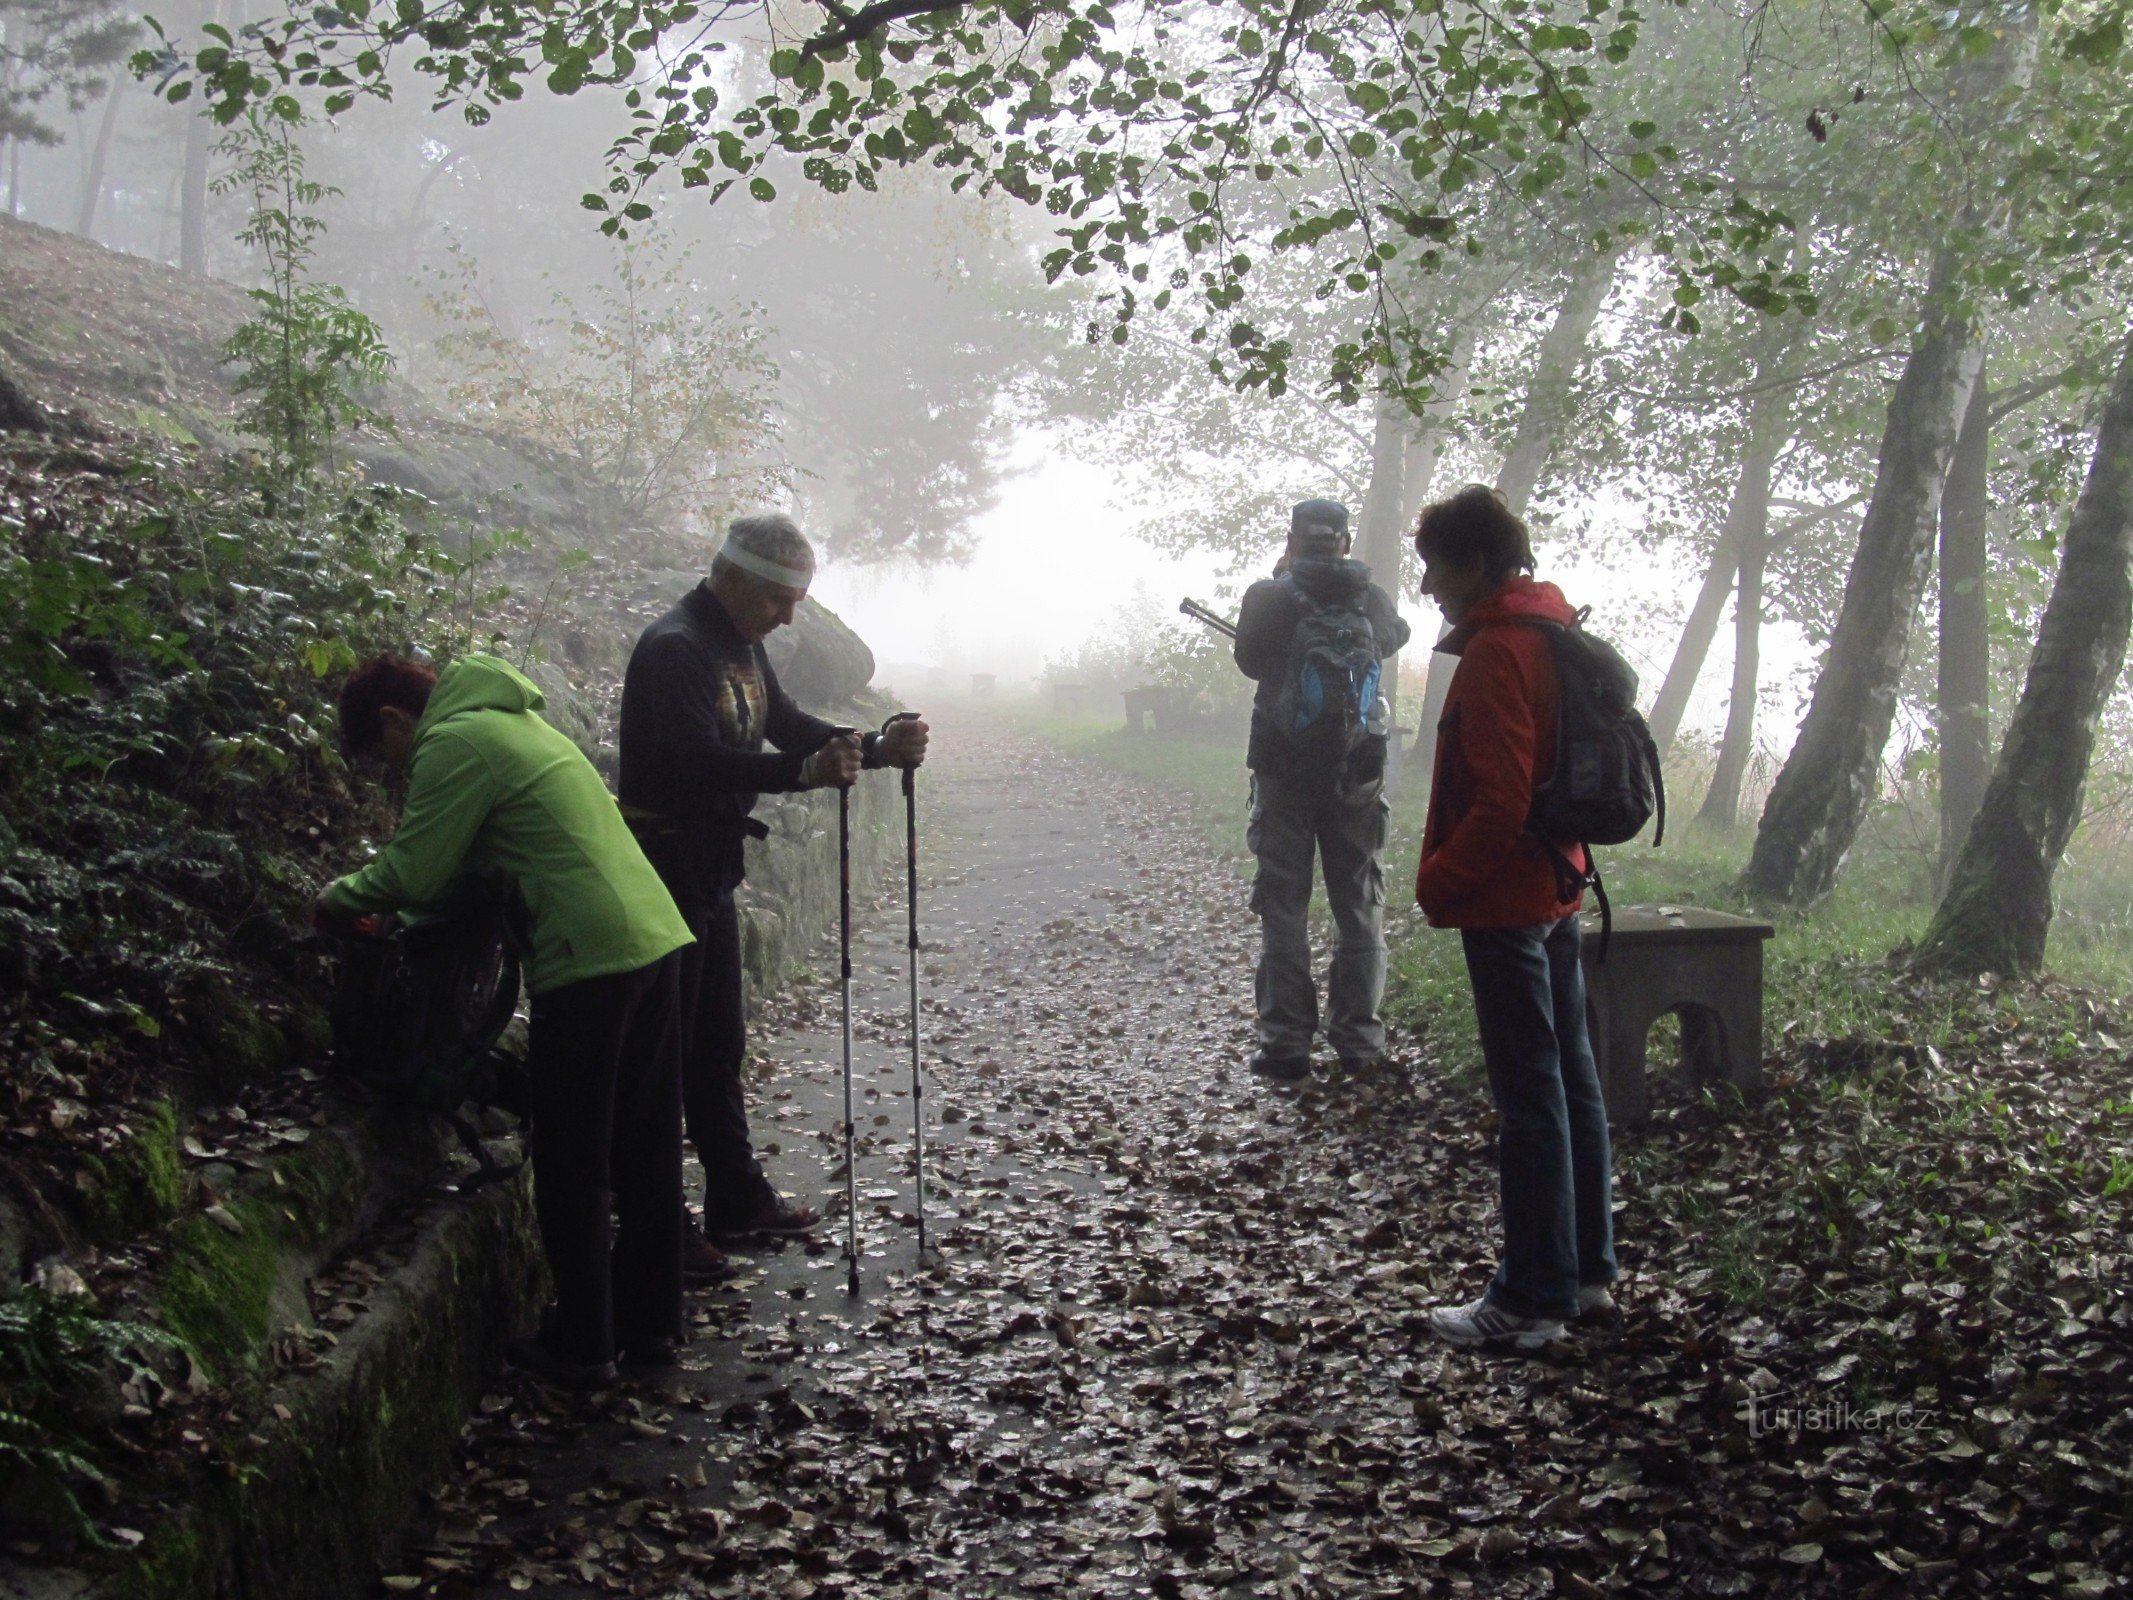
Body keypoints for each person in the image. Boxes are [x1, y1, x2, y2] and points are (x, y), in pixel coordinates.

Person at [318, 652, 695, 1389]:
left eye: (382, 753)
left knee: (570, 1156)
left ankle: (584, 1344)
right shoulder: (515, 725)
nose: (392, 771)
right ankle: (650, 1326)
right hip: (654, 937)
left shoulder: (454, 743)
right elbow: (472, 866)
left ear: (394, 720)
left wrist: (334, 898)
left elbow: (413, 874)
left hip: (589, 958)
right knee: (646, 1142)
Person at [618, 512, 929, 1279]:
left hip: (708, 867)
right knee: (663, 1060)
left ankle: (735, 1196)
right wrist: (802, 774)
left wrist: (875, 748)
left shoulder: (738, 641)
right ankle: (661, 1230)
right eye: (777, 597)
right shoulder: (673, 649)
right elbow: (696, 760)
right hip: (660, 871)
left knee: (716, 1048)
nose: (790, 615)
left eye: (797, 599)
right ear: (729, 577)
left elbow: (781, 723)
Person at [1410, 484, 1616, 1351]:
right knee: (1570, 1085)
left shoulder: (1499, 652)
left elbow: (1495, 802)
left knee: (1530, 1097)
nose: (1428, 587)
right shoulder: (1553, 631)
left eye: (1435, 568)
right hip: (1558, 885)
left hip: (1506, 899)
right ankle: (1586, 1272)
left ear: (1475, 564)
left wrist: (1437, 884)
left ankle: (1531, 1298)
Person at [1232, 498, 1412, 1081]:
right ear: (1344, 541)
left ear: (1292, 538)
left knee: (1284, 907)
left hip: (1283, 772)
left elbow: (1250, 660)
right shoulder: (1371, 596)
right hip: (1358, 773)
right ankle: (1359, 1041)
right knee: (1359, 904)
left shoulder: (1269, 596)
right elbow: (1394, 639)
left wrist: (1284, 578)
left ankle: (1286, 1044)